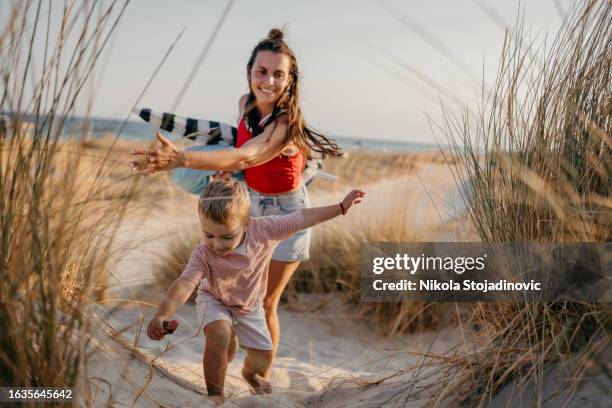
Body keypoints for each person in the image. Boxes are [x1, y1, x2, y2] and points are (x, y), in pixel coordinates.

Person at [131, 28, 343, 378]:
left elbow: (247, 156)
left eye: (279, 74)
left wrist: (184, 159)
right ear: (249, 72)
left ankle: (255, 375)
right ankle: (223, 355)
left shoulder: (287, 123)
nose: (269, 81)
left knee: (265, 303)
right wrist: (227, 177)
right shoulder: (244, 105)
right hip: (248, 206)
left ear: (290, 81)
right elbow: (240, 158)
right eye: (262, 71)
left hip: (286, 215)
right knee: (229, 293)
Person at [146, 179, 364, 401]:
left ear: (247, 223)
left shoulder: (265, 230)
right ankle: (215, 395)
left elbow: (301, 218)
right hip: (214, 299)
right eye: (208, 234)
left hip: (250, 305)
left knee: (264, 357)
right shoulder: (203, 253)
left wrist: (340, 208)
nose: (217, 244)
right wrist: (163, 314)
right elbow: (185, 283)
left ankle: (249, 375)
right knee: (219, 334)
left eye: (227, 236)